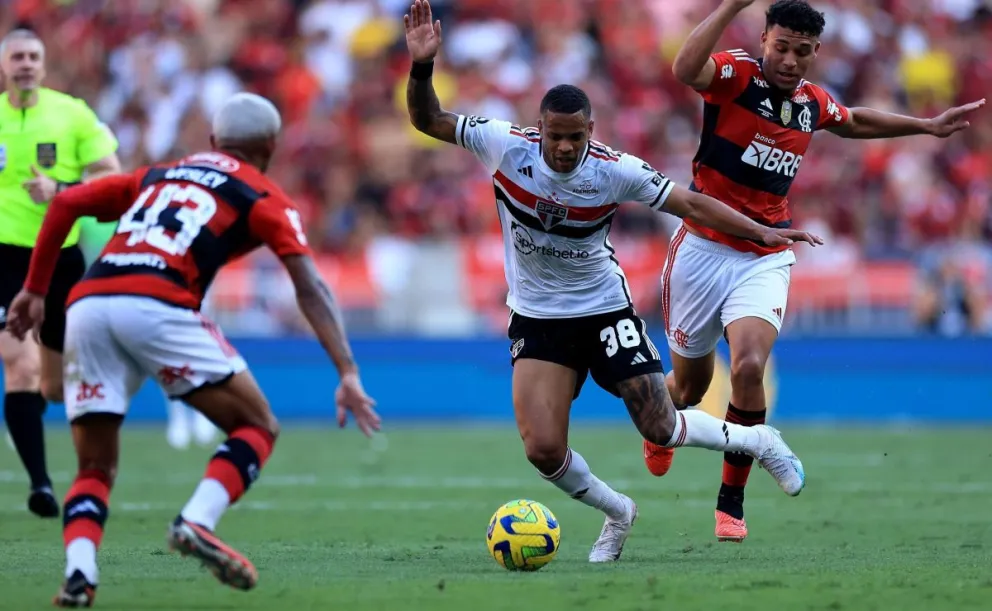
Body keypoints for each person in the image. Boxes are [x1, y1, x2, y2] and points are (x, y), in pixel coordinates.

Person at [403, 0, 819, 563]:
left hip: (604, 309)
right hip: (538, 315)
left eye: (575, 136)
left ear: (590, 130)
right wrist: (423, 67)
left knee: (661, 424)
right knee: (543, 449)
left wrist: (762, 232)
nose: (565, 147)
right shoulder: (503, 144)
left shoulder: (614, 168)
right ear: (539, 128)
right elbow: (428, 120)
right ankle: (618, 512)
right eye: (556, 136)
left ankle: (757, 440)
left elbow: (690, 201)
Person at [6, 92, 381, 607]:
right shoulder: (261, 194)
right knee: (257, 426)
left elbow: (67, 202)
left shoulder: (157, 174)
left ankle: (79, 573)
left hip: (87, 304)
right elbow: (310, 285)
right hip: (157, 303)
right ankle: (195, 521)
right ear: (270, 147)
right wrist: (347, 370)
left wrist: (33, 289)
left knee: (93, 469)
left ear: (214, 141)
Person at [643, 0, 986, 543]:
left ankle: (730, 502)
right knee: (687, 388)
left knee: (750, 367)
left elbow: (851, 121)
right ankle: (662, 428)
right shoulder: (737, 75)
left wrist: (923, 125)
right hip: (702, 253)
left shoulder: (811, 104)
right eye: (781, 47)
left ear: (815, 52)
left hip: (767, 252)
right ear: (764, 41)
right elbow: (685, 69)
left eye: (802, 52)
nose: (789, 60)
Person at [0, 28, 122, 518]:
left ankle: (35, 424)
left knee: (53, 385)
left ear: (44, 65)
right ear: (4, 66)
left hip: (61, 260)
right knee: (20, 366)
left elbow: (111, 172)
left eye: (33, 56)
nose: (26, 63)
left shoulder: (70, 113)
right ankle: (42, 486)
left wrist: (63, 188)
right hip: (4, 258)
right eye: (17, 57)